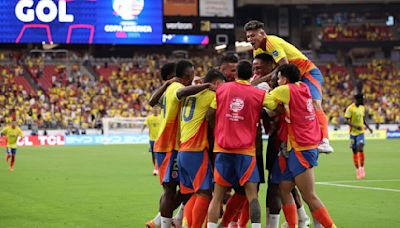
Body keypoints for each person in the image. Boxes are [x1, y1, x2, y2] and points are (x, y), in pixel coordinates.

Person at [244, 20, 333, 154]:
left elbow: (284, 67)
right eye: (248, 36)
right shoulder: (257, 51)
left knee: (314, 104)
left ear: (262, 34)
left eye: (253, 35)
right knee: (283, 107)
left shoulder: (271, 43)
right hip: (290, 77)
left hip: (308, 73)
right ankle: (287, 142)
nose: (250, 39)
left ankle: (325, 141)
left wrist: (259, 83)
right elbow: (265, 72)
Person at [263, 64, 336, 228]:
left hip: (302, 148)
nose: (278, 80)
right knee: (284, 188)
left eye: (279, 77)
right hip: (299, 146)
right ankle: (293, 225)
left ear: (285, 79)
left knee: (309, 195)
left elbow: (264, 99)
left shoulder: (286, 90)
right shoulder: (303, 87)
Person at [207, 60, 269, 228]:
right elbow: (274, 107)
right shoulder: (257, 93)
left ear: (235, 74)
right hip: (246, 151)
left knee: (217, 196)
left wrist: (219, 129)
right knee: (252, 195)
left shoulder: (222, 90)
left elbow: (210, 113)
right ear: (251, 75)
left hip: (223, 148)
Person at [253, 55, 310, 228]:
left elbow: (271, 111)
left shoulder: (281, 89)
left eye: (259, 68)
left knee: (278, 186)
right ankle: (302, 219)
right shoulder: (277, 86)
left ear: (272, 67)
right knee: (287, 186)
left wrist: (257, 98)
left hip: (284, 141)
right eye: (254, 69)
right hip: (279, 140)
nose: (256, 72)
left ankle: (283, 223)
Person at [177, 69, 225, 228]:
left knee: (195, 193)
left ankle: (187, 224)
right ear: (217, 83)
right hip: (195, 151)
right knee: (204, 193)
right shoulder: (211, 95)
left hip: (183, 151)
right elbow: (210, 115)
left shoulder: (190, 95)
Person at [344, 94, 373, 179]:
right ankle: (357, 169)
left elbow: (363, 119)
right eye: (362, 100)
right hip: (352, 133)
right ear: (357, 100)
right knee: (354, 151)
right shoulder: (350, 108)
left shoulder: (362, 107)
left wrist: (368, 127)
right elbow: (346, 121)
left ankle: (362, 168)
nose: (363, 101)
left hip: (361, 132)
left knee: (360, 147)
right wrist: (355, 126)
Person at [141, 107, 161, 176]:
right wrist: (142, 130)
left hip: (159, 139)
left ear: (158, 110)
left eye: (157, 109)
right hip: (152, 139)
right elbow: (145, 124)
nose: (155, 111)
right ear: (152, 110)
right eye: (154, 109)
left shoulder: (161, 117)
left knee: (157, 154)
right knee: (153, 155)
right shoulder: (149, 118)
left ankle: (156, 169)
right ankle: (155, 168)